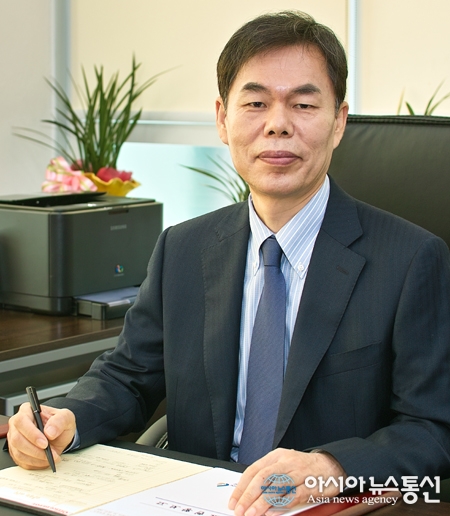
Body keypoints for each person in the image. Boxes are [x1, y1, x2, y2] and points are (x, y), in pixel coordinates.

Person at [7, 10, 450, 516]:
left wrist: (332, 468)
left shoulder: (410, 260)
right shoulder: (183, 248)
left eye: (304, 104)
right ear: (222, 119)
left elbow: (432, 428)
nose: (277, 125)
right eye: (255, 103)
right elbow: (128, 376)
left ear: (339, 122)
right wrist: (67, 420)